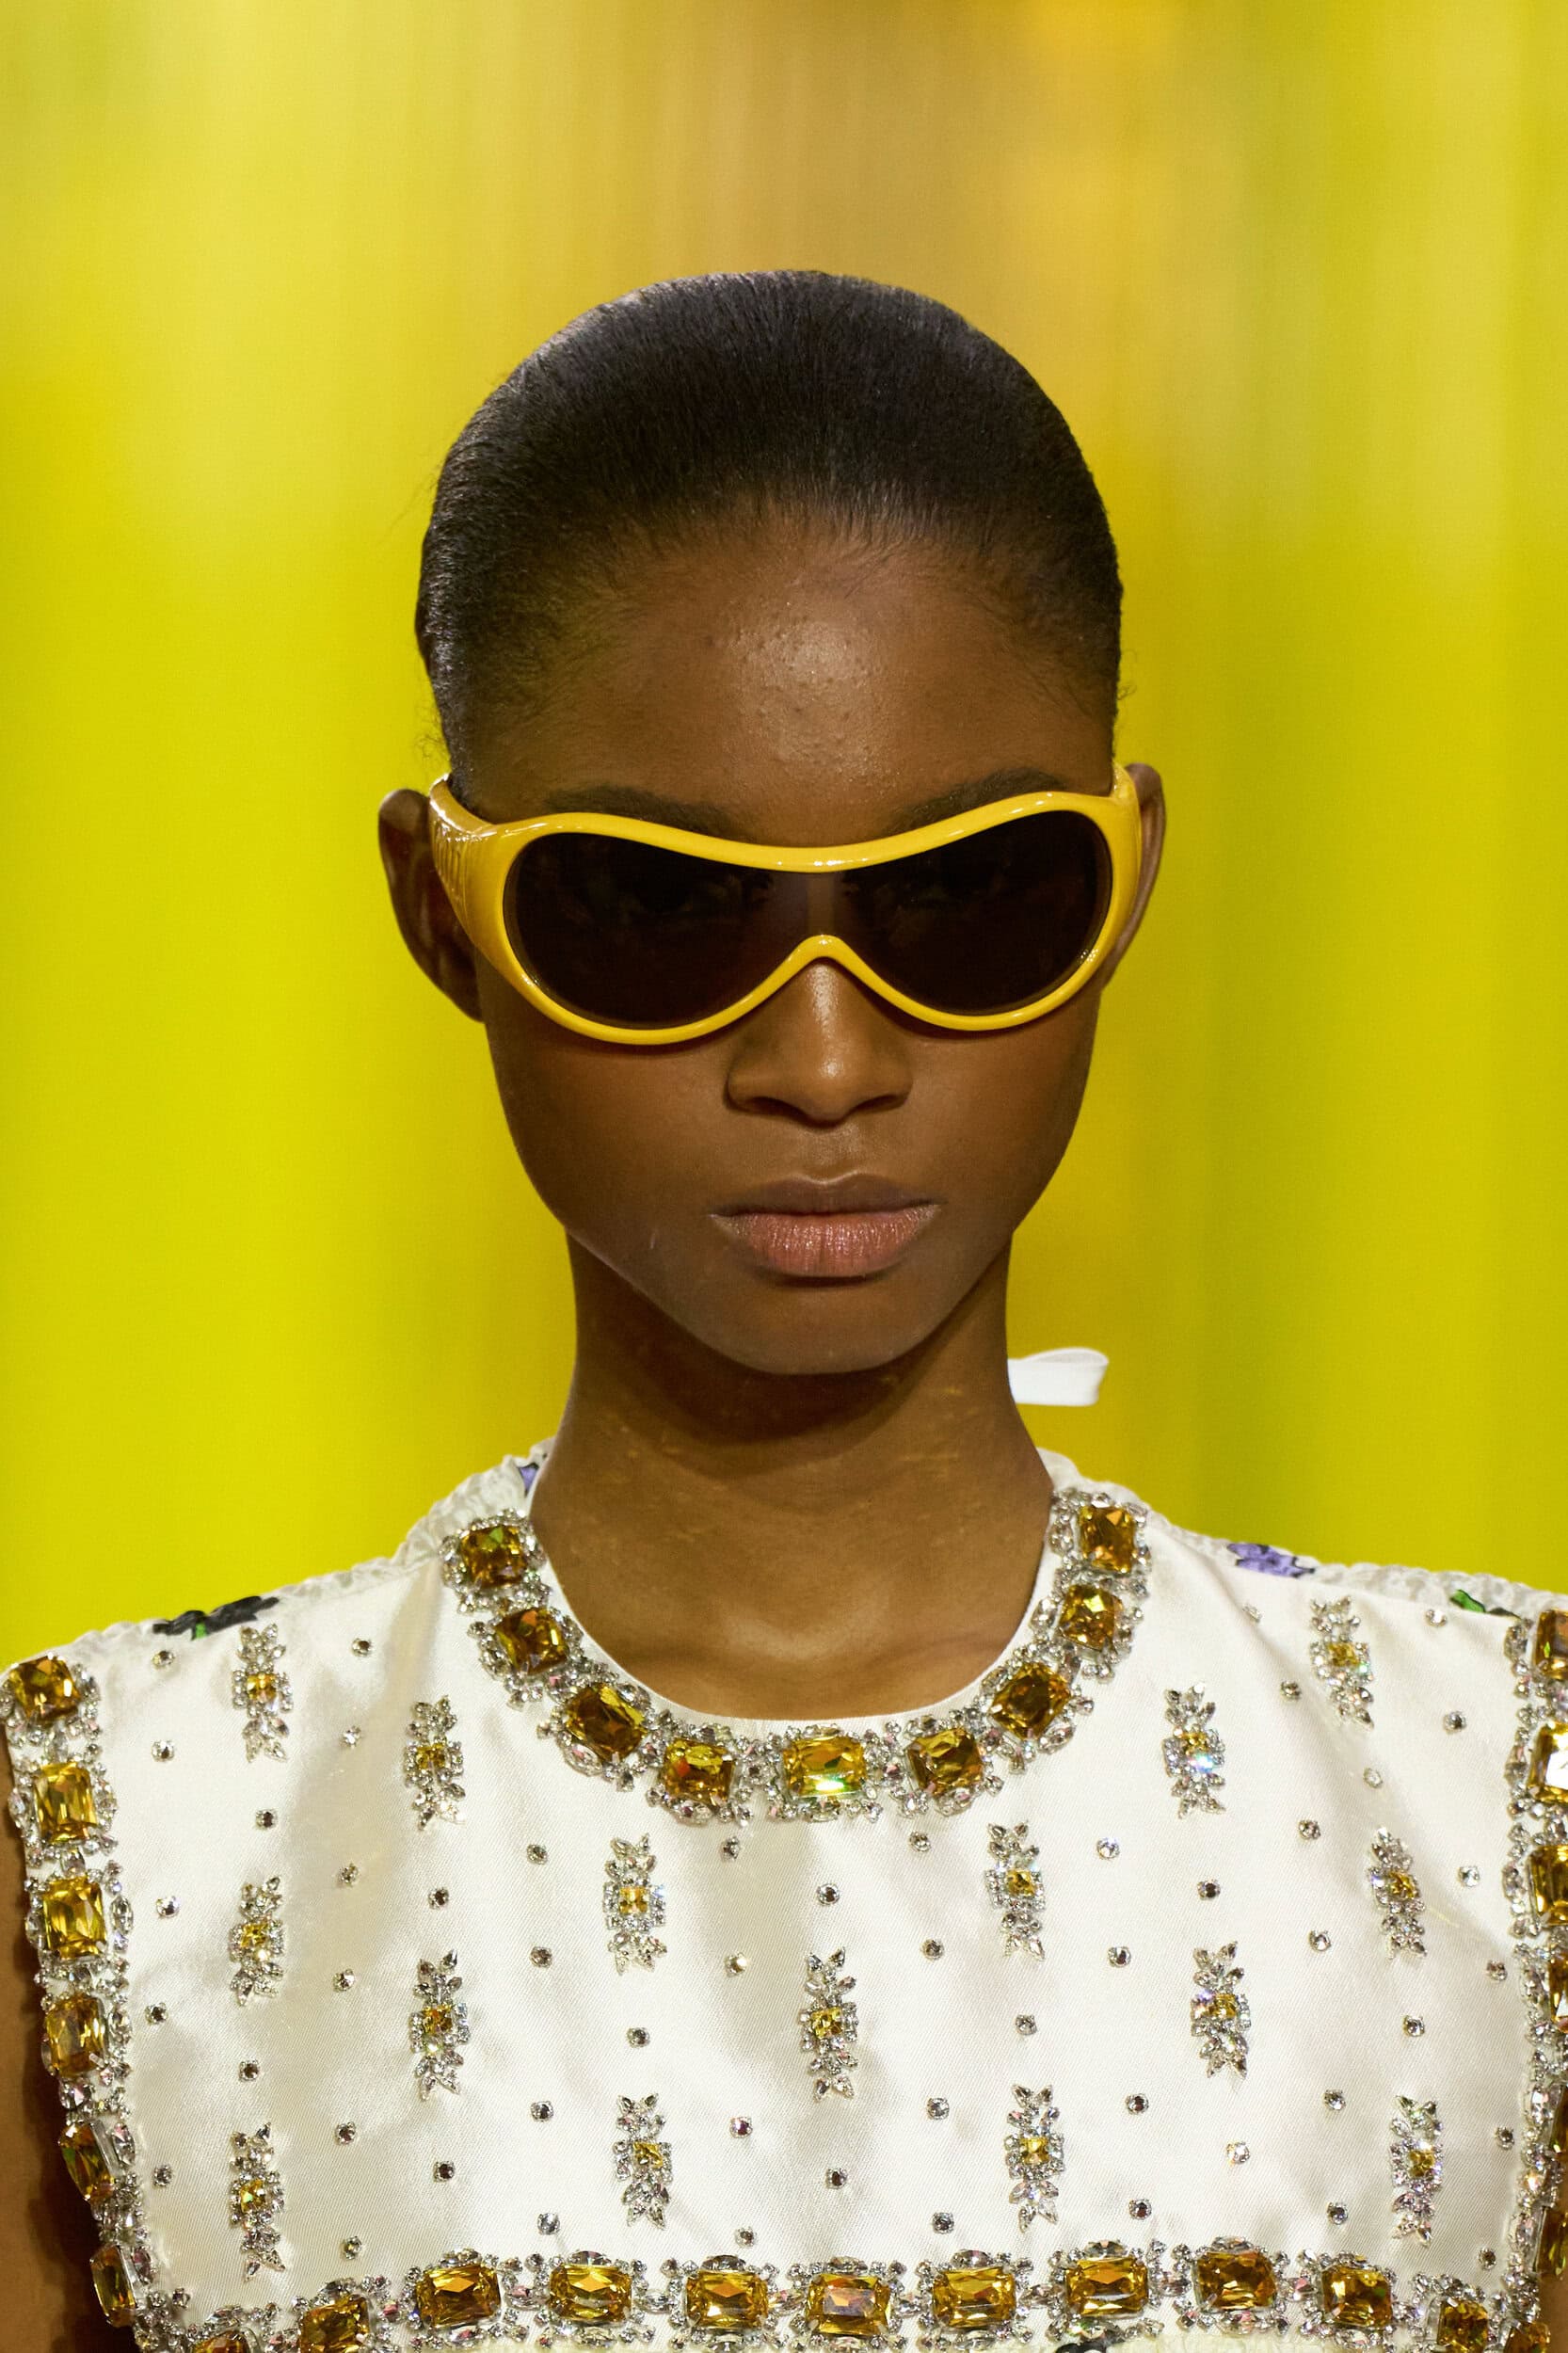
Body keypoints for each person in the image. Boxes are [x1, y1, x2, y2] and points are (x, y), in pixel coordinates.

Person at [1, 271, 1560, 2353]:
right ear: (440, 910)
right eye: (651, 907)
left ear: (1124, 879)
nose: (822, 1061)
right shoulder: (128, 1844)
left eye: (969, 895)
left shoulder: (1492, 1803)